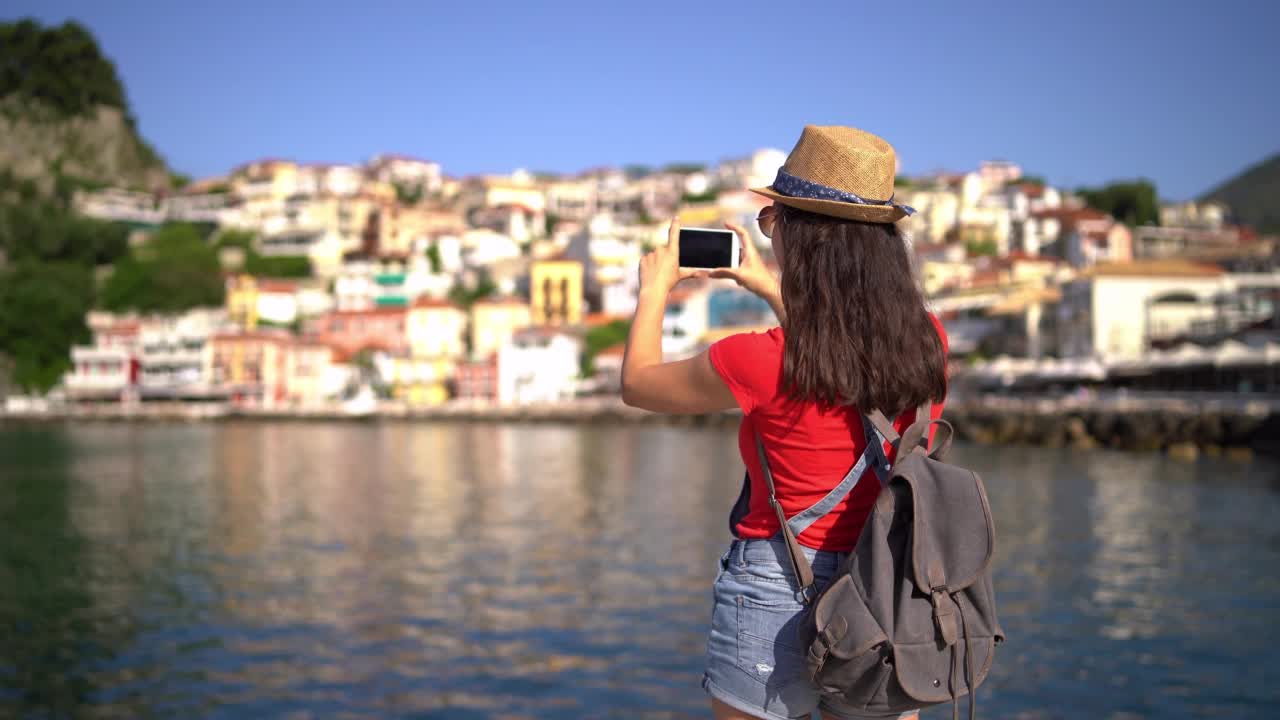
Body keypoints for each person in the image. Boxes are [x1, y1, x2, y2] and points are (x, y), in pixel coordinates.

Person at [620, 126, 948, 720]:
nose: (771, 233)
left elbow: (638, 384)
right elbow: (839, 357)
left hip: (775, 588)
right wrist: (769, 290)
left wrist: (652, 291)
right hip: (889, 581)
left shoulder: (759, 359)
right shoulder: (929, 341)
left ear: (805, 240)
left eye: (773, 220)